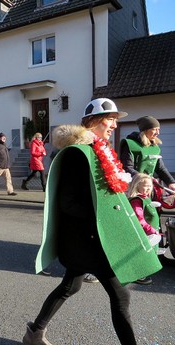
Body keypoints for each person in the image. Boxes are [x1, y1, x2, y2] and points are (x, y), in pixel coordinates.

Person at [22, 98, 161, 345]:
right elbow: (68, 202)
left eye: (115, 121)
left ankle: (34, 333)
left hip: (88, 239)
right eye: (110, 120)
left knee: (70, 287)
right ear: (93, 121)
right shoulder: (78, 153)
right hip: (90, 240)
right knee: (121, 297)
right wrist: (107, 217)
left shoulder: (100, 150)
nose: (114, 126)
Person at [120, 115, 175, 191]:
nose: (158, 133)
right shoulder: (130, 145)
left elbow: (160, 168)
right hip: (132, 188)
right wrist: (144, 178)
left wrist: (171, 182)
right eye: (154, 129)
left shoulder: (155, 147)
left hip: (148, 187)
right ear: (145, 130)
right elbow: (127, 167)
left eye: (158, 129)